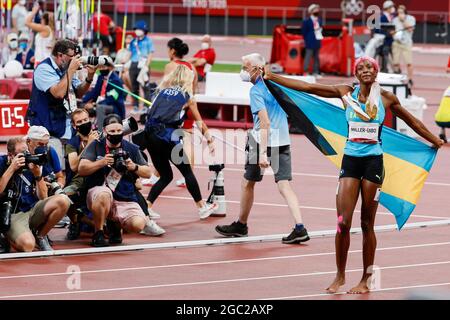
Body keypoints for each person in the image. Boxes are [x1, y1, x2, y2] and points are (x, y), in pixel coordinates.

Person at [264, 56, 444, 294]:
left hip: (373, 163)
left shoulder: (386, 98)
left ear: (376, 72)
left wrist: (434, 140)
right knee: (343, 222)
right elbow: (308, 87)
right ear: (356, 74)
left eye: (369, 67)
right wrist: (272, 76)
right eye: (361, 68)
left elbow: (412, 122)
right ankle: (339, 276)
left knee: (367, 223)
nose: (365, 70)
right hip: (350, 162)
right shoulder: (345, 92)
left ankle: (366, 278)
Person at [215, 53, 310, 244]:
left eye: (245, 67)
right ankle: (300, 227)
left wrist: (264, 153)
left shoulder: (256, 91)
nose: (243, 71)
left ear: (258, 69)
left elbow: (265, 122)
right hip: (283, 139)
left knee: (248, 182)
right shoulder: (277, 85)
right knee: (284, 185)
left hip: (262, 141)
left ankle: (241, 225)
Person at [143, 64, 218, 220]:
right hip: (167, 137)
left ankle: (147, 206)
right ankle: (202, 207)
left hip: (149, 136)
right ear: (187, 78)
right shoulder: (187, 96)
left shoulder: (160, 92)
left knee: (165, 175)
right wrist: (210, 139)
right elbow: (199, 122)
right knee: (187, 172)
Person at [78, 114, 165, 247]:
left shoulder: (131, 148)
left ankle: (115, 224)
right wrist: (101, 162)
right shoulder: (96, 145)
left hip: (124, 196)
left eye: (119, 131)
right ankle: (99, 233)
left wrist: (133, 166)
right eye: (112, 131)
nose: (116, 134)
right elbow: (82, 169)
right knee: (104, 194)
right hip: (99, 191)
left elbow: (148, 173)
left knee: (138, 224)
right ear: (105, 131)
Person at [27, 39, 97, 169]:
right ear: (60, 55)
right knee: (57, 171)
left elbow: (79, 92)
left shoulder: (65, 68)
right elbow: (58, 93)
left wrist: (89, 77)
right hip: (48, 131)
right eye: (72, 57)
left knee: (71, 168)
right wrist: (70, 71)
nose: (75, 61)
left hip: (66, 128)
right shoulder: (43, 69)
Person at [0, 137, 71, 252]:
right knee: (28, 246)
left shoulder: (31, 163)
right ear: (10, 155)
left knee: (63, 200)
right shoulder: (2, 162)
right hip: (14, 214)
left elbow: (43, 197)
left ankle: (41, 236)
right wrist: (12, 168)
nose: (24, 157)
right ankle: (8, 236)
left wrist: (38, 175)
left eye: (26, 152)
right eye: (20, 154)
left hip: (33, 209)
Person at [64, 109, 99, 240]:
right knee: (63, 197)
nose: (84, 123)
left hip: (98, 178)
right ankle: (75, 222)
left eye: (85, 120)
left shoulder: (100, 137)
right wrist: (89, 144)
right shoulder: (71, 143)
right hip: (78, 182)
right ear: (74, 126)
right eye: (79, 122)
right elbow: (73, 166)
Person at [82, 61, 126, 129]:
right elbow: (95, 92)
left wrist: (94, 104)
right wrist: (83, 100)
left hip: (114, 106)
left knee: (100, 107)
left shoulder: (116, 80)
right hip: (101, 102)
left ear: (110, 67)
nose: (102, 69)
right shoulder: (101, 77)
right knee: (82, 105)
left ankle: (100, 131)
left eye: (104, 67)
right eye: (100, 67)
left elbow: (112, 99)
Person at [129, 20, 154, 111]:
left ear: (144, 30)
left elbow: (150, 54)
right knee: (134, 87)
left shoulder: (148, 41)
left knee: (145, 87)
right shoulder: (133, 41)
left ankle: (146, 106)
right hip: (134, 64)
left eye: (139, 29)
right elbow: (130, 53)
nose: (137, 31)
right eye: (136, 29)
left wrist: (147, 66)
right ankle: (135, 105)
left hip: (144, 65)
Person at [392, 5, 416, 87]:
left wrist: (403, 20)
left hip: (407, 43)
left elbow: (410, 29)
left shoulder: (411, 18)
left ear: (405, 12)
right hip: (397, 42)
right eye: (398, 13)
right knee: (395, 62)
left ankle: (410, 79)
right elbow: (392, 31)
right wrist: (394, 34)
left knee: (409, 62)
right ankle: (398, 77)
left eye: (401, 12)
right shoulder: (395, 20)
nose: (400, 14)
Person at [374, 1, 396, 73]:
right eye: (391, 7)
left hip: (391, 42)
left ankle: (393, 71)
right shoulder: (381, 17)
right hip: (384, 42)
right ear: (387, 8)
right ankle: (384, 70)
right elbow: (377, 31)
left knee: (393, 58)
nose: (393, 8)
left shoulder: (392, 17)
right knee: (385, 57)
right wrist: (388, 33)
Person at [302, 4, 323, 77]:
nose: (317, 11)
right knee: (308, 56)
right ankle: (305, 71)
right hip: (309, 42)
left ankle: (316, 72)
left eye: (318, 9)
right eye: (315, 9)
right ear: (311, 11)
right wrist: (307, 40)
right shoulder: (306, 21)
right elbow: (304, 32)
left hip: (317, 41)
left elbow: (320, 30)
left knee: (316, 58)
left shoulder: (319, 20)